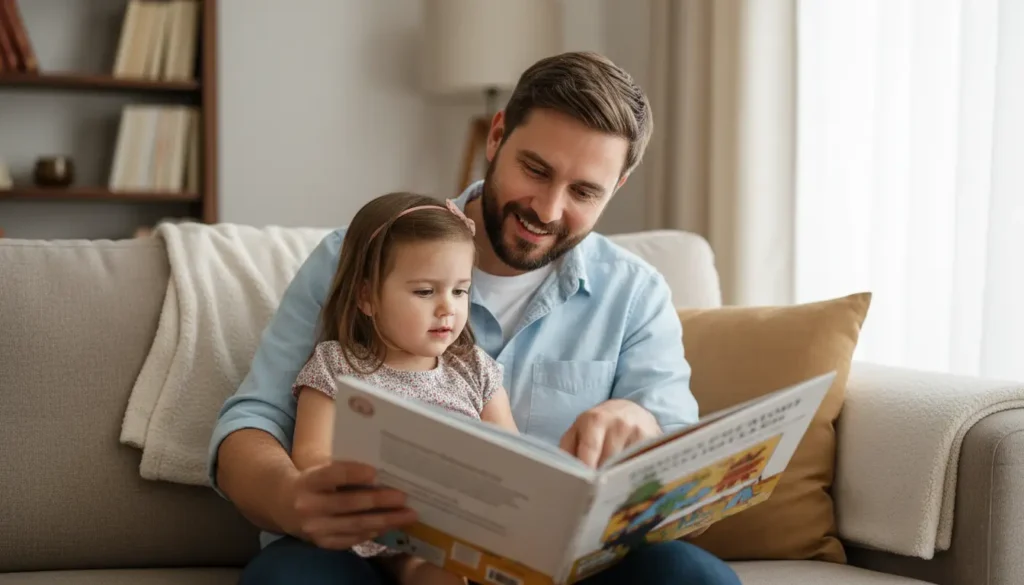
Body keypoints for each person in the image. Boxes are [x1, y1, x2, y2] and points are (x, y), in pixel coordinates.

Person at [209, 51, 741, 585]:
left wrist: (646, 430)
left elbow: (691, 500)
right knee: (289, 577)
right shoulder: (359, 256)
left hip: (556, 568)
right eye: (536, 170)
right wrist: (291, 498)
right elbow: (253, 421)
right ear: (497, 136)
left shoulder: (634, 293)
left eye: (583, 192)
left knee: (690, 574)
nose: (548, 210)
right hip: (365, 558)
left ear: (616, 187)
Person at [289, 191, 518, 585]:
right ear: (367, 297)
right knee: (422, 568)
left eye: (460, 291)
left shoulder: (474, 367)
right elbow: (309, 454)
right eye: (425, 291)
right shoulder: (337, 366)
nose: (448, 308)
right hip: (380, 523)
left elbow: (511, 450)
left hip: (466, 527)